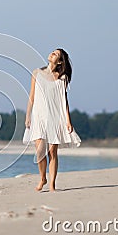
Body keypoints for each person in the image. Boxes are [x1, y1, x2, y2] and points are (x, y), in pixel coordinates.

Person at [23, 48, 81, 192]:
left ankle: (52, 185)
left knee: (52, 152)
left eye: (56, 54)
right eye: (52, 52)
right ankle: (43, 178)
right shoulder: (37, 73)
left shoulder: (62, 78)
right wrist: (28, 115)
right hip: (39, 116)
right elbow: (32, 96)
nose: (52, 54)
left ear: (60, 61)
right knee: (40, 151)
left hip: (55, 118)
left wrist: (68, 121)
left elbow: (64, 101)